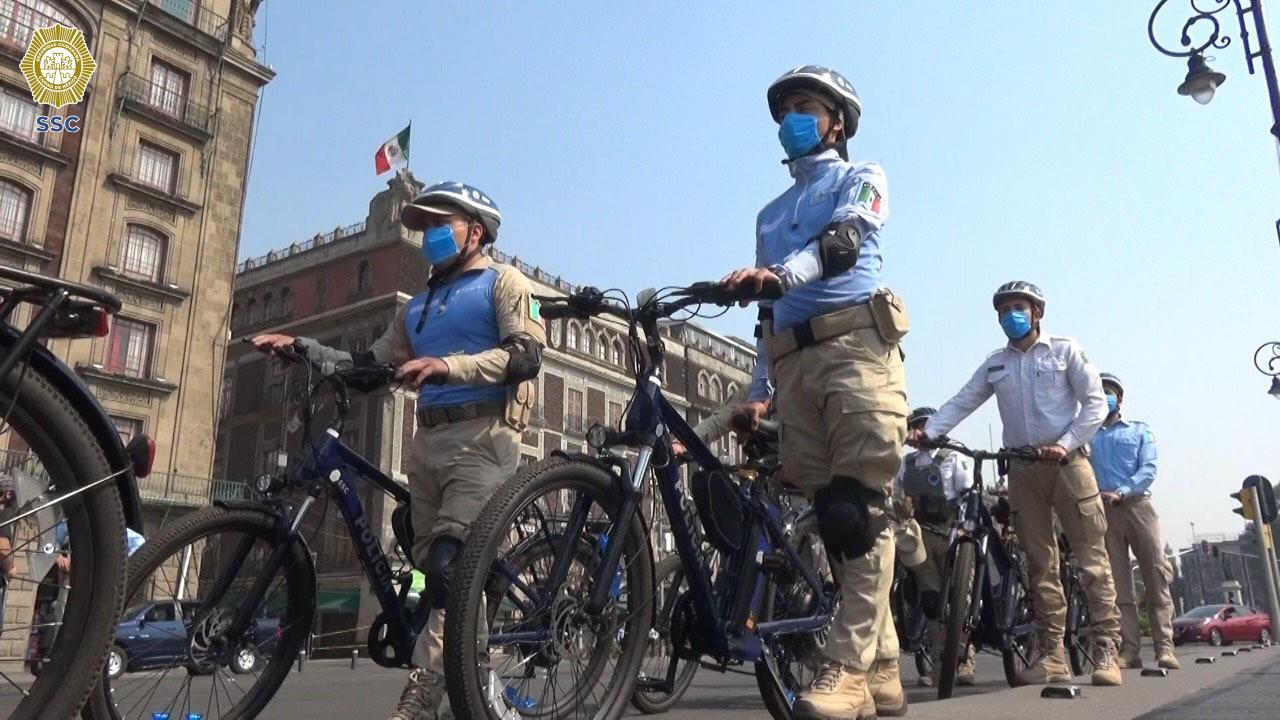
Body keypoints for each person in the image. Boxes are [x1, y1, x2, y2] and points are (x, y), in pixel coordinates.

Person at [252, 181, 545, 720]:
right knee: (441, 575)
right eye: (424, 225)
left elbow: (525, 357)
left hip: (485, 439)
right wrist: (303, 348)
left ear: (475, 231)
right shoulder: (419, 308)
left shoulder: (505, 283)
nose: (430, 234)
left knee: (451, 570)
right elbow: (369, 367)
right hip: (427, 443)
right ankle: (477, 685)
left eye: (441, 224)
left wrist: (447, 366)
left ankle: (423, 694)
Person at [723, 64, 910, 719]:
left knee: (857, 511)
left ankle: (847, 671)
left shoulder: (862, 178)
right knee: (835, 523)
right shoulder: (769, 215)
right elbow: (766, 316)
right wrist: (759, 390)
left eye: (806, 107)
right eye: (786, 112)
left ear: (837, 122)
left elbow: (843, 242)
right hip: (793, 367)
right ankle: (883, 666)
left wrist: (780, 274)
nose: (792, 120)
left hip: (855, 351)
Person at [907, 281, 1123, 687]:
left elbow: (1095, 404)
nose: (1011, 315)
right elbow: (963, 400)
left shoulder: (1065, 350)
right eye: (1004, 310)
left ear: (1037, 312)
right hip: (1022, 468)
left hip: (1068, 463)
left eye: (1019, 307)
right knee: (1040, 564)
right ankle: (1052, 655)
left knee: (1092, 558)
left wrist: (1064, 444)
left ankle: (1106, 650)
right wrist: (929, 432)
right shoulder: (996, 364)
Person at [1089, 373, 1178, 671]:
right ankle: (1129, 649)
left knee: (1155, 574)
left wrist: (1123, 491)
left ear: (1120, 398)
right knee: (1117, 584)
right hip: (1104, 511)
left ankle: (1165, 647)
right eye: (1099, 391)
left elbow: (1148, 469)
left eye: (1109, 391)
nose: (1104, 396)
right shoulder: (1087, 434)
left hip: (1137, 506)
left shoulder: (1140, 430)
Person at [893, 407, 975, 687]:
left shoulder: (953, 457)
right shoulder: (907, 463)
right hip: (921, 538)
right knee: (931, 600)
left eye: (923, 426)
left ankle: (965, 660)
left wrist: (964, 528)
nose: (919, 433)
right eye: (915, 427)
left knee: (959, 599)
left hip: (951, 534)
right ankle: (941, 665)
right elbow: (896, 495)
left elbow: (967, 493)